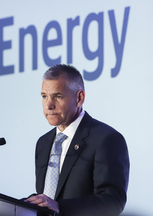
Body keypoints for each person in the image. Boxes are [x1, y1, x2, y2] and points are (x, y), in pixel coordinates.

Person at [26, 64, 130, 216]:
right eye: (44, 96)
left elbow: (113, 201)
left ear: (79, 98)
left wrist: (60, 207)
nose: (48, 105)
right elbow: (48, 197)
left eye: (58, 96)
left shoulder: (106, 139)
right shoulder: (43, 142)